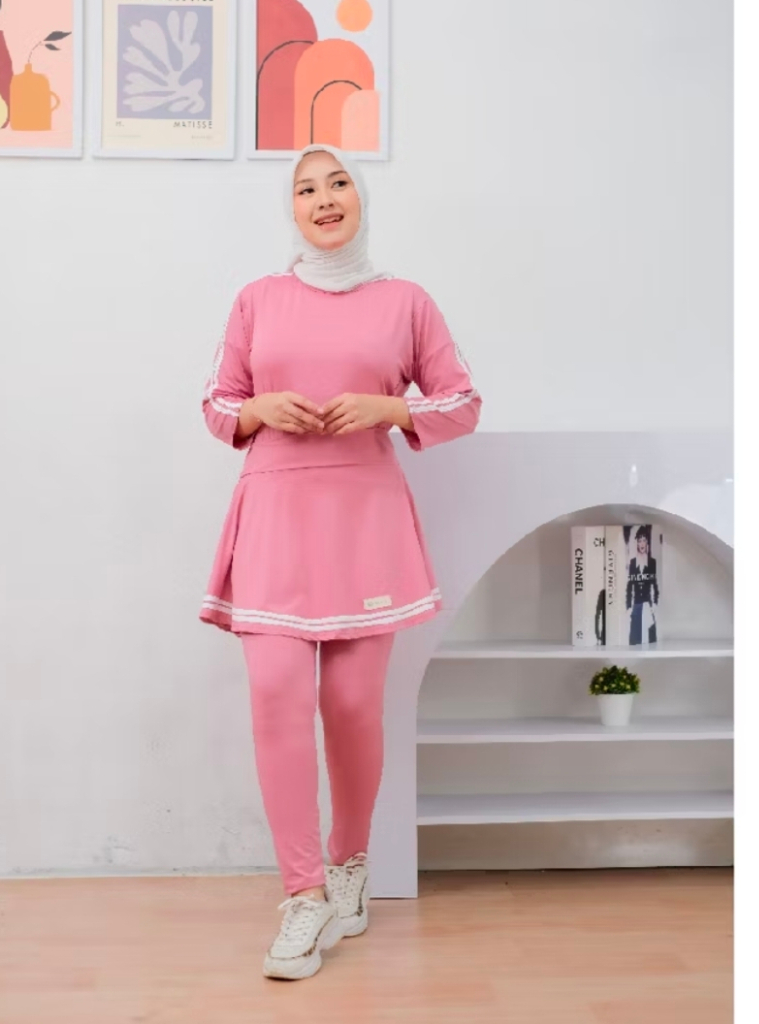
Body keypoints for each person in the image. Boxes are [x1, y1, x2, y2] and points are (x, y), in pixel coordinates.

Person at [200, 143, 482, 980]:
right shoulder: (257, 299)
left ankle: (349, 863)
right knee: (275, 695)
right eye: (306, 189)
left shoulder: (406, 302)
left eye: (338, 183)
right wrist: (257, 408)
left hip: (364, 521)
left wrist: (390, 407)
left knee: (353, 705)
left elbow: (462, 401)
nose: (323, 199)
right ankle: (303, 895)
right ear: (291, 208)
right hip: (276, 515)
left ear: (361, 198)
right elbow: (217, 404)